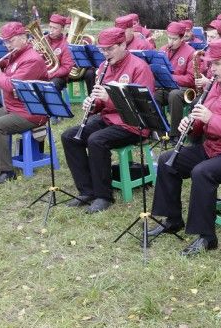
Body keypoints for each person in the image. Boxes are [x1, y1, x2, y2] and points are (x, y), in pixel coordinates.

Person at [147, 38, 221, 255]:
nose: (211, 69)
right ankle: (172, 220)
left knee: (202, 172)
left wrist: (211, 118)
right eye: (211, 64)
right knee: (167, 161)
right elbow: (203, 123)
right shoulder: (216, 85)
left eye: (217, 64)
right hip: (214, 147)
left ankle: (206, 237)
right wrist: (191, 125)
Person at [60, 27, 156, 213]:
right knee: (69, 136)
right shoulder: (104, 67)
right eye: (102, 49)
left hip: (133, 124)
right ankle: (87, 190)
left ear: (123, 45)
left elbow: (141, 107)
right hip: (110, 118)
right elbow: (101, 101)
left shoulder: (139, 67)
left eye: (110, 49)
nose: (105, 53)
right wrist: (94, 104)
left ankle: (103, 196)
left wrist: (108, 98)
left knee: (96, 140)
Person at [0, 21, 48, 184]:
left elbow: (11, 85)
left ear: (23, 38)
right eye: (5, 41)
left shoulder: (32, 60)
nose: (7, 45)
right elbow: (7, 79)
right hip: (14, 108)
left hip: (31, 112)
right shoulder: (15, 56)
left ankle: (6, 171)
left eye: (10, 41)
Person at [155, 21, 198, 141]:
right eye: (169, 38)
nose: (170, 42)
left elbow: (191, 79)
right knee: (154, 96)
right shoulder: (163, 50)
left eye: (174, 39)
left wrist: (171, 78)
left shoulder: (191, 52)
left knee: (174, 95)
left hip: (185, 89)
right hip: (167, 87)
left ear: (182, 38)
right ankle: (162, 130)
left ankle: (176, 134)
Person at [43, 13, 75, 91]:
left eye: (55, 28)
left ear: (62, 29)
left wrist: (50, 75)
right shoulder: (43, 40)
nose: (51, 30)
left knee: (52, 85)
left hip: (59, 77)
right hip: (43, 73)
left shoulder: (66, 44)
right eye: (50, 27)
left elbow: (66, 68)